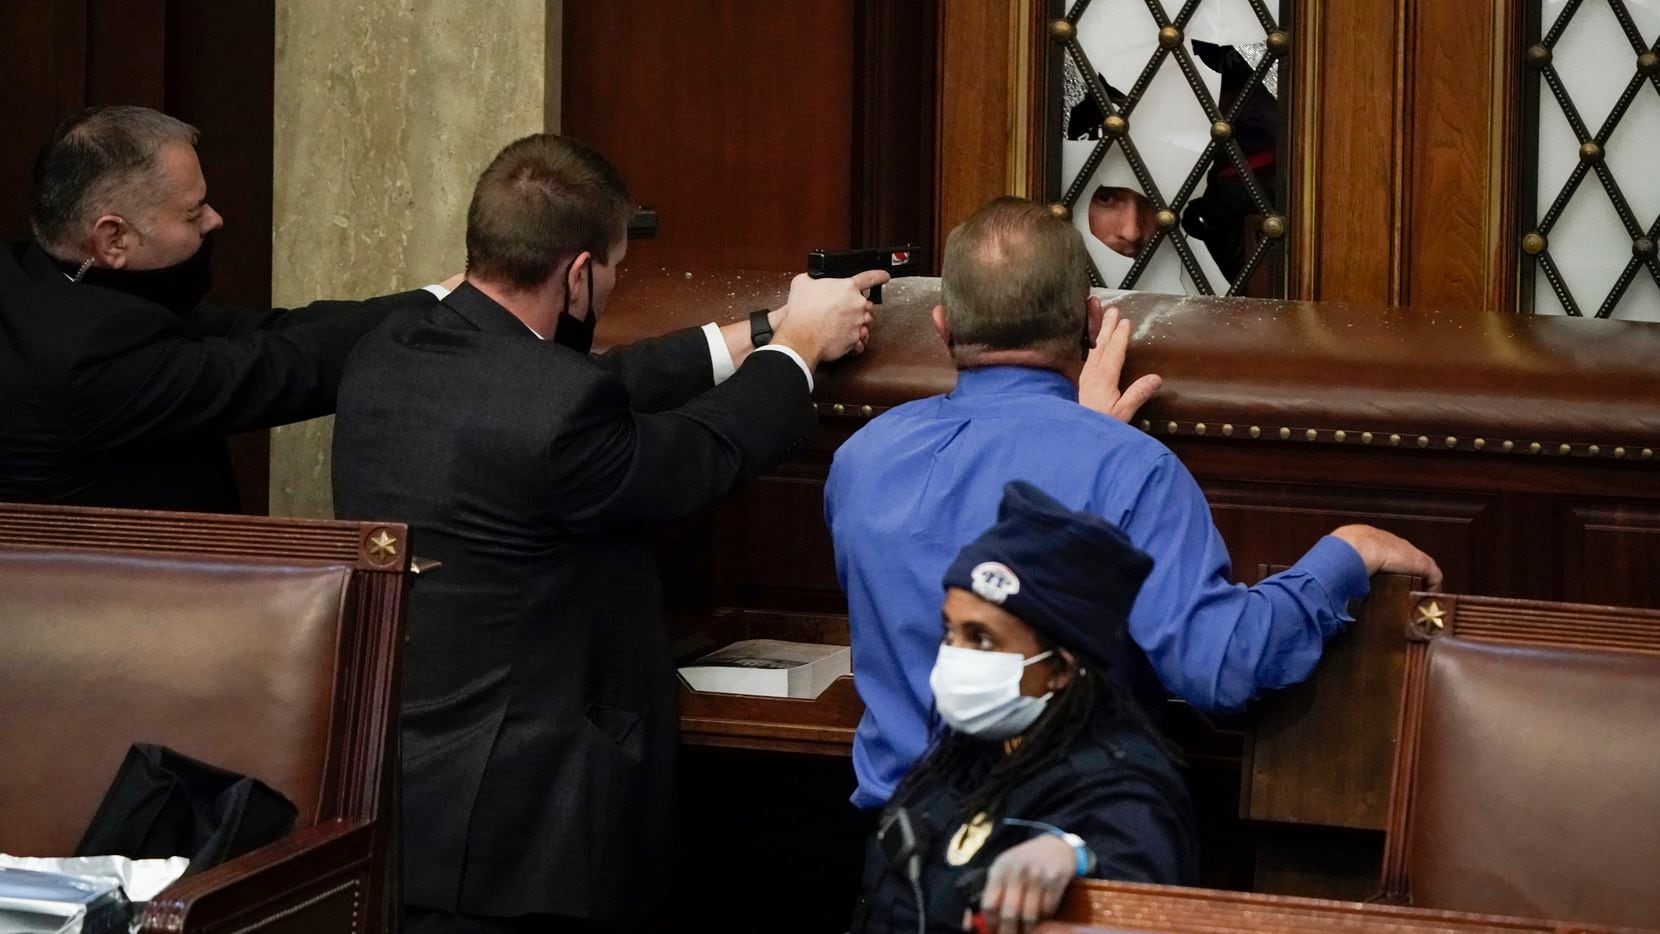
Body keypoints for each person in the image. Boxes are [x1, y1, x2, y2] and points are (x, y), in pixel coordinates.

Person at [330, 132, 885, 933]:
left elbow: (576, 387)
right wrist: (799, 351)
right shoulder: (553, 410)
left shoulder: (388, 353)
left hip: (403, 799)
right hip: (530, 837)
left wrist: (757, 330)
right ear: (580, 272)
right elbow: (698, 455)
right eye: (618, 269)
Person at [825, 196, 1441, 812]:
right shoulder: (1127, 468)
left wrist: (1084, 439)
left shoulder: (861, 459)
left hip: (898, 858)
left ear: (943, 326)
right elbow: (1220, 667)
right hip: (1065, 858)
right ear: (1093, 321)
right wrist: (1344, 556)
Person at [0, 105, 444, 512]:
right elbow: (278, 368)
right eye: (193, 214)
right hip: (121, 594)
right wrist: (462, 304)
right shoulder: (87, 355)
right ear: (114, 238)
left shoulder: (44, 271)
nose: (215, 219)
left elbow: (264, 331)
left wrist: (438, 296)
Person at [855, 481, 1197, 934]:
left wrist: (1071, 850)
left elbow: (1127, 860)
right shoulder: (969, 754)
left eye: (982, 639)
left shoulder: (1123, 784)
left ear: (1058, 667)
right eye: (949, 632)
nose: (955, 655)